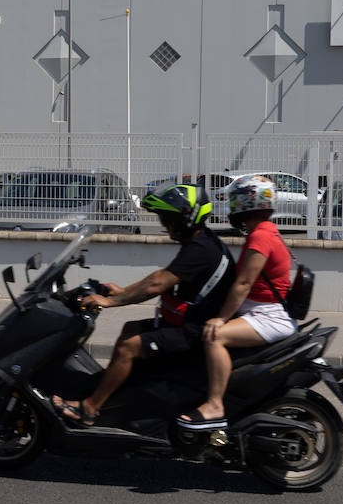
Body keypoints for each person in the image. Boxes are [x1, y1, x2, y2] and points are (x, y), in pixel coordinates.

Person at [52, 182, 234, 427]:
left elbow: (157, 284)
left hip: (196, 332)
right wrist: (123, 291)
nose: (165, 224)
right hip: (190, 324)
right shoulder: (203, 242)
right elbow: (164, 277)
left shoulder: (201, 249)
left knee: (129, 346)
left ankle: (90, 409)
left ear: (186, 218)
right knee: (131, 328)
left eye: (168, 218)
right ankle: (114, 391)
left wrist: (111, 300)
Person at [178, 175, 298, 430]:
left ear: (246, 202)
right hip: (261, 311)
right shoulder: (266, 231)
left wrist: (221, 319)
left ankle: (214, 405)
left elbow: (243, 283)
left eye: (234, 200)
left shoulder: (261, 236)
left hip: (267, 316)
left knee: (214, 336)